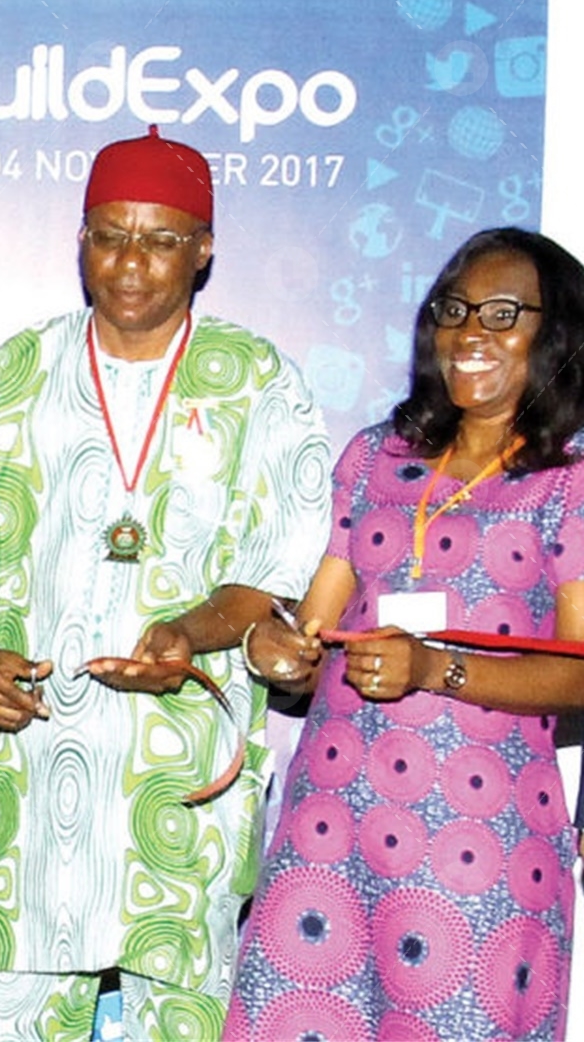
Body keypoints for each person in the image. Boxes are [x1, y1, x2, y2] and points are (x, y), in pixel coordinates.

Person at [0, 126, 330, 1038]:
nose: (130, 262)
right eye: (110, 235)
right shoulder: (15, 374)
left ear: (204, 249)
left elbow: (276, 571)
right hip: (33, 774)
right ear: (80, 241)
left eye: (161, 240)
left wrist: (191, 631)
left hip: (182, 781)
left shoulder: (258, 381)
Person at [225, 228, 584, 1041]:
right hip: (330, 830)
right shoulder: (377, 457)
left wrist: (434, 669)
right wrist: (278, 652)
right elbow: (313, 632)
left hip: (477, 845)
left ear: (557, 331)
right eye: (455, 310)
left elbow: (580, 670)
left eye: (503, 314)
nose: (471, 332)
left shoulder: (569, 481)